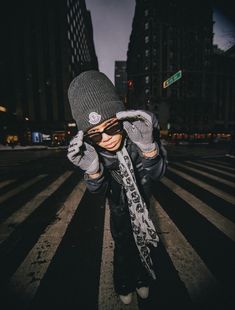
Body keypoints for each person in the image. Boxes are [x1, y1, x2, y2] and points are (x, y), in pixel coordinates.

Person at [67, 70, 167, 305]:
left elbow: (158, 172)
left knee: (142, 240)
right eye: (95, 134)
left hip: (142, 206)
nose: (107, 138)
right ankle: (123, 281)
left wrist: (149, 149)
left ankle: (142, 278)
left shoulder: (139, 134)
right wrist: (93, 171)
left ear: (120, 118)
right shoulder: (93, 153)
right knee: (123, 246)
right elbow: (98, 194)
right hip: (119, 210)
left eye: (111, 126)